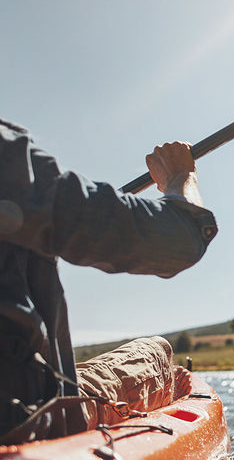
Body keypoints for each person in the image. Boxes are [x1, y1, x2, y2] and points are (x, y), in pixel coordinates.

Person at [0, 118, 218, 444]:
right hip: (27, 417)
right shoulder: (9, 157)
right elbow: (179, 240)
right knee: (155, 353)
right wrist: (179, 178)